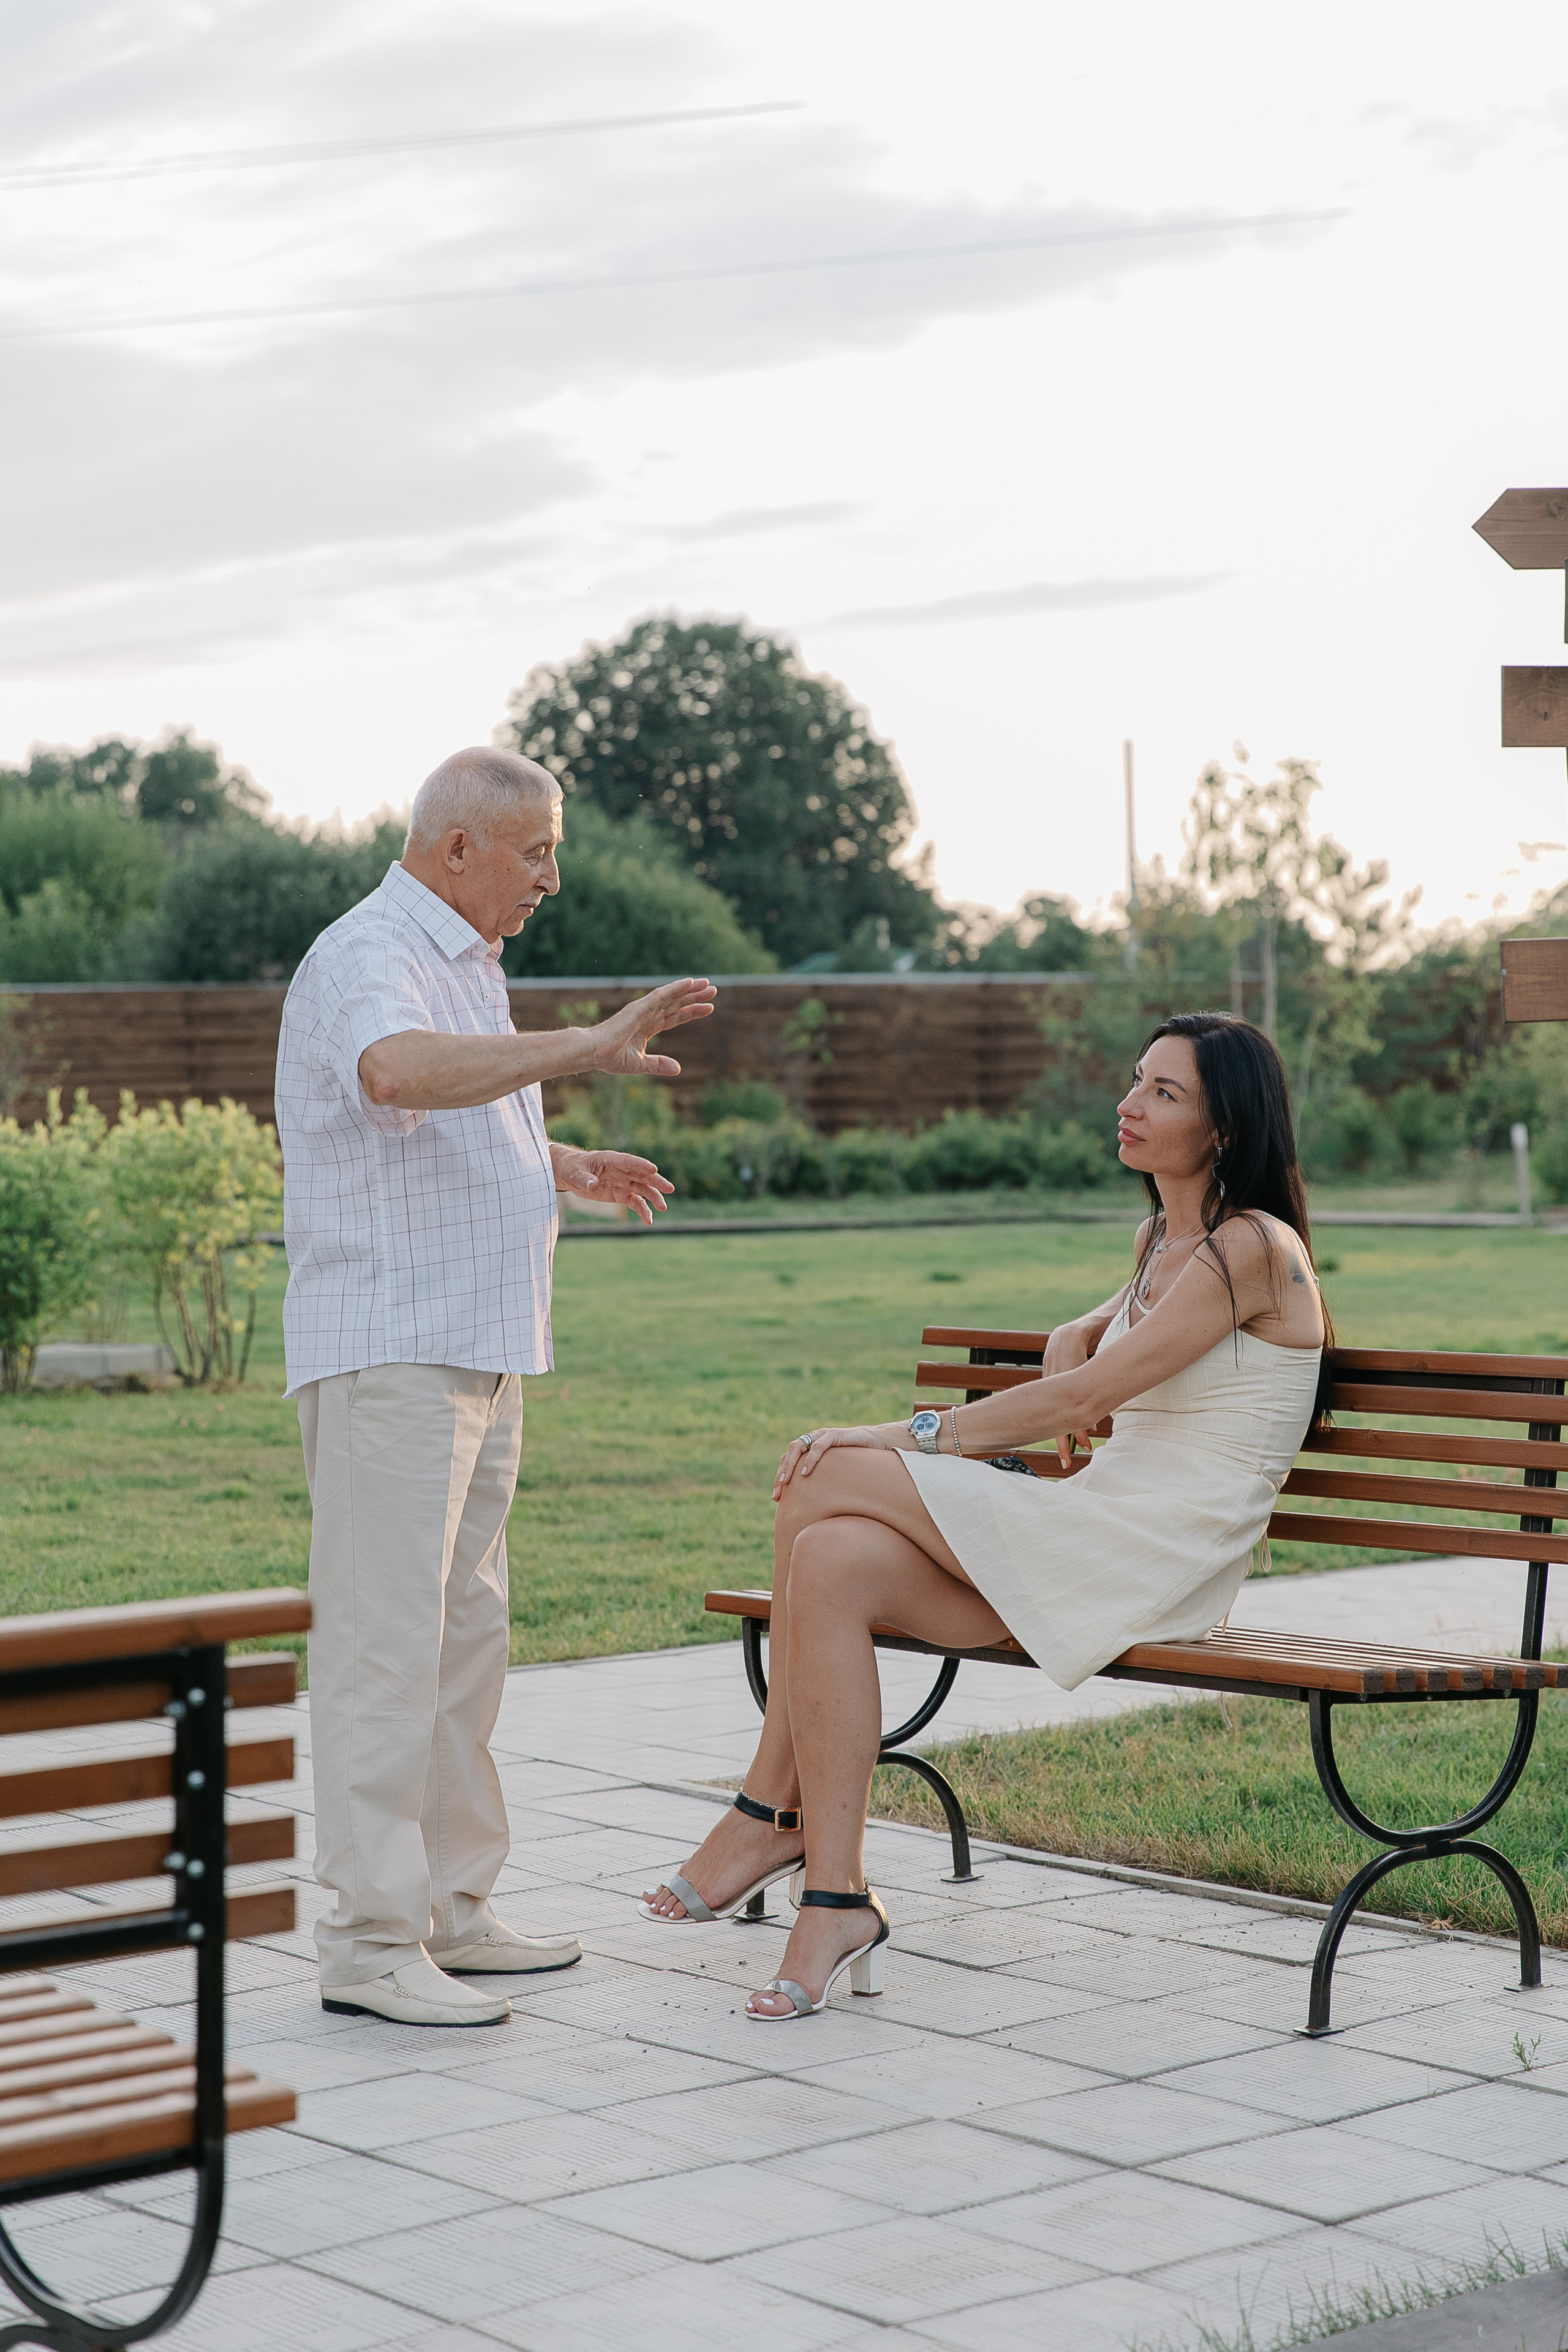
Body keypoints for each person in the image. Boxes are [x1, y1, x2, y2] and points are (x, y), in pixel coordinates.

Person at [641, 1012, 1329, 2020]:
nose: (1130, 1106)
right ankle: (834, 1895)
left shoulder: (1252, 1251)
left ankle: (763, 1812)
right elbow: (1090, 1351)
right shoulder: (1163, 1241)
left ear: (1224, 1130)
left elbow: (1071, 1404)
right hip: (1096, 1531)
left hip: (1156, 1557)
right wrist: (1074, 1329)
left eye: (1165, 1095)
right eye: (1137, 1081)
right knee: (828, 1555)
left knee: (823, 1474)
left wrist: (894, 1431)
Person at [277, 746, 716, 2028]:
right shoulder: (371, 951)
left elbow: (438, 1114)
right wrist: (584, 1046)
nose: (552, 877)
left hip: (474, 1348)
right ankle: (368, 1946)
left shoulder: (460, 960)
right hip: (391, 1353)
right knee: (384, 1650)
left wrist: (557, 1159)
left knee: (462, 1647)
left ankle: (451, 1912)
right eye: (535, 851)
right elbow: (395, 1077)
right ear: (458, 845)